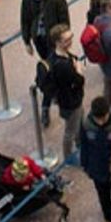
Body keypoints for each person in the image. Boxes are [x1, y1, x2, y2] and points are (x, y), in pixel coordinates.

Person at [19, 0, 71, 124]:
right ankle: (53, 94)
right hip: (39, 39)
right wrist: (27, 41)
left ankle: (45, 105)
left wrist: (63, 42)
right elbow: (25, 19)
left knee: (49, 71)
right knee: (50, 69)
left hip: (54, 41)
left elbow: (64, 22)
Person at [80, 96, 111, 222]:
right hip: (97, 169)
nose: (100, 122)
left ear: (109, 112)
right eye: (97, 119)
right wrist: (85, 165)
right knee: (103, 196)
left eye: (104, 118)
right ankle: (108, 217)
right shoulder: (86, 124)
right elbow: (84, 145)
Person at [46, 24, 86, 161]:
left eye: (71, 38)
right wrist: (79, 69)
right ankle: (68, 156)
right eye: (66, 40)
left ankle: (80, 142)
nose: (70, 42)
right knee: (70, 129)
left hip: (69, 98)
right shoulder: (63, 65)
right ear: (57, 42)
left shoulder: (56, 56)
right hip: (70, 102)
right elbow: (79, 80)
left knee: (78, 122)